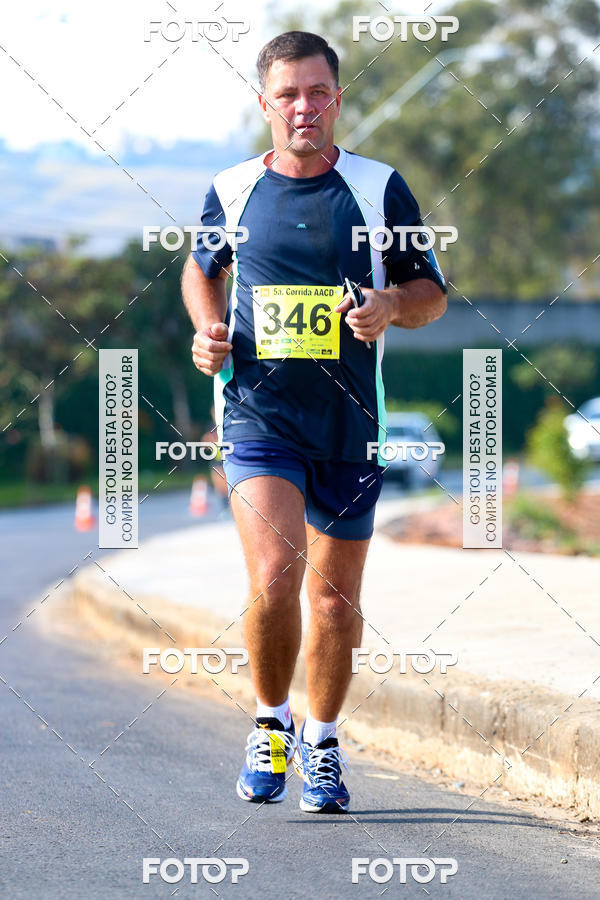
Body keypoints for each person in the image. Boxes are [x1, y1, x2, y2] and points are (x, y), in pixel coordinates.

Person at [181, 31, 447, 813]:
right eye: (288, 93)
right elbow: (202, 272)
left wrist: (389, 306)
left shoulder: (378, 188)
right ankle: (271, 725)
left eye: (318, 91)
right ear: (264, 104)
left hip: (352, 423)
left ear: (338, 97)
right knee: (275, 576)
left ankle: (322, 744)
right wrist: (209, 329)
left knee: (334, 603)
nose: (304, 106)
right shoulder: (232, 189)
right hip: (258, 414)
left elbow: (430, 291)